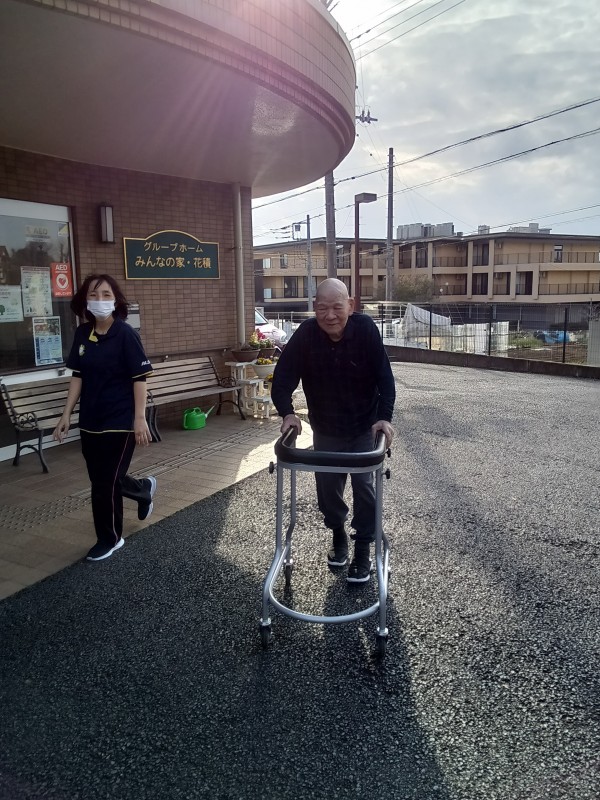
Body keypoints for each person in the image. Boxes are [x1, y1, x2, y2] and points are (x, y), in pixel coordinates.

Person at [271, 278, 396, 583]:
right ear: (315, 308)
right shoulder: (306, 335)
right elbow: (283, 377)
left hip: (363, 426)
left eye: (337, 307)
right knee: (327, 489)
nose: (330, 315)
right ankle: (338, 533)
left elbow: (384, 376)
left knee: (364, 487)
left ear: (350, 306)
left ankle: (363, 546)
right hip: (326, 427)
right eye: (322, 308)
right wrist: (288, 413)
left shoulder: (365, 330)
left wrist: (384, 418)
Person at [53, 274, 156, 561]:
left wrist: (139, 418)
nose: (100, 300)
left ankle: (110, 539)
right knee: (103, 478)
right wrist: (66, 414)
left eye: (106, 294)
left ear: (116, 300)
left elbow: (139, 378)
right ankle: (142, 489)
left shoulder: (125, 334)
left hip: (120, 420)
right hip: (91, 420)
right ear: (85, 300)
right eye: (94, 295)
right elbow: (78, 376)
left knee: (104, 484)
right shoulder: (83, 334)